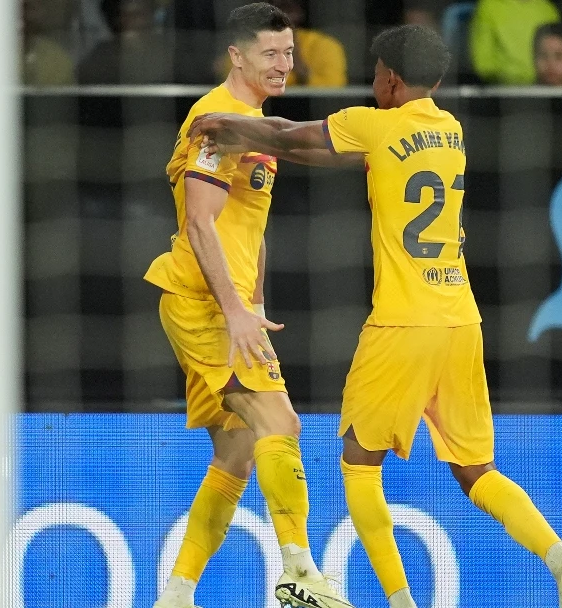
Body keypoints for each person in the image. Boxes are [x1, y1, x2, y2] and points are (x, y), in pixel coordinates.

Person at [189, 23, 562, 608]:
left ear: (389, 78)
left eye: (376, 75)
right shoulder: (452, 131)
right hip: (461, 321)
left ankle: (401, 603)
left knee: (359, 467)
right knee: (475, 468)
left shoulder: (374, 125)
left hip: (402, 326)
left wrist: (223, 127)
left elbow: (288, 135)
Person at [144, 4, 355, 608]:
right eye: (270, 53)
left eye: (288, 53)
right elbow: (202, 222)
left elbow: (249, 227)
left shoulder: (254, 123)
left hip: (226, 304)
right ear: (237, 56)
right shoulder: (216, 121)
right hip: (202, 303)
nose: (284, 64)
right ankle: (297, 570)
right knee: (281, 425)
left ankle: (176, 596)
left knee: (236, 453)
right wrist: (236, 309)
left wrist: (255, 298)